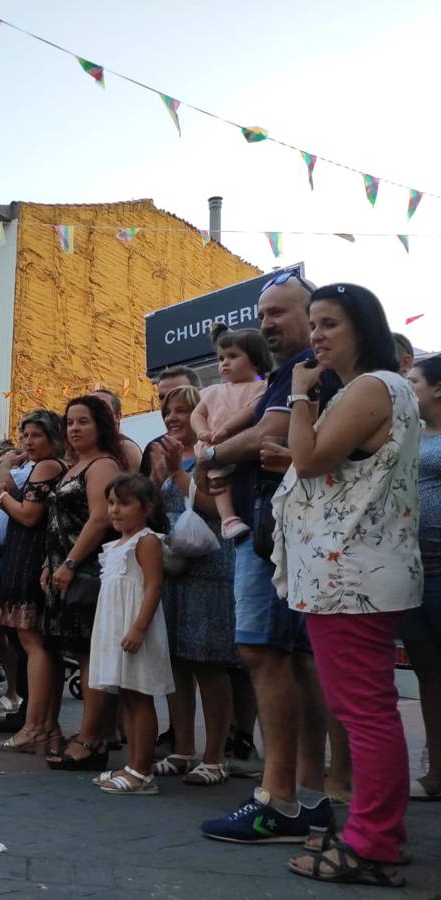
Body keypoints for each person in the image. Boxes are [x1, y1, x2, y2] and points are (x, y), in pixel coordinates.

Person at [272, 284, 418, 887]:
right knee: (369, 708)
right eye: (314, 325)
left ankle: (372, 845)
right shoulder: (391, 389)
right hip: (357, 572)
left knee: (364, 711)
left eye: (330, 323)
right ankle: (380, 833)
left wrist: (302, 396)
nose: (317, 336)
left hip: (349, 574)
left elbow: (305, 459)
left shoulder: (369, 387)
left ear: (364, 327)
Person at [199, 269, 332, 844]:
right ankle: (307, 794)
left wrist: (209, 457)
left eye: (279, 311)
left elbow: (264, 437)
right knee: (291, 658)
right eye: (262, 315)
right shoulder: (289, 377)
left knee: (264, 651)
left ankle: (278, 801)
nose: (268, 324)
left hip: (281, 537)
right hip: (278, 535)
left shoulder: (308, 377)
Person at [150, 385, 238, 787]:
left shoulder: (214, 453)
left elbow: (213, 509)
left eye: (182, 410)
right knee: (176, 662)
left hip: (211, 567)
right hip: (173, 570)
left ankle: (215, 756)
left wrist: (177, 474)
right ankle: (182, 748)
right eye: (168, 412)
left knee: (208, 662)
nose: (173, 418)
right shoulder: (165, 455)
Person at [41, 396, 124, 769]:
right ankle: (96, 734)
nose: (74, 428)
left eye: (83, 422)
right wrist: (51, 561)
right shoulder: (76, 466)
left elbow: (99, 519)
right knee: (81, 652)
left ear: (100, 426)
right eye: (70, 422)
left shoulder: (104, 464)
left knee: (92, 656)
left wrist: (71, 562)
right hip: (65, 569)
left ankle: (92, 740)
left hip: (89, 572)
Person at [0, 410, 66, 754]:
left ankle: (35, 726)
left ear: (52, 438)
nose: (29, 442)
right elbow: (7, 489)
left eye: (36, 435)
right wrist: (4, 478)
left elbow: (28, 515)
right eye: (25, 434)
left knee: (35, 647)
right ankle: (46, 727)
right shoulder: (37, 466)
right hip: (23, 559)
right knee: (36, 647)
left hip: (30, 561)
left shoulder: (48, 467)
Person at [87, 474, 172, 794]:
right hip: (117, 629)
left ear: (146, 508)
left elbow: (153, 586)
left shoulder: (147, 541)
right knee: (127, 696)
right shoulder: (116, 545)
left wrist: (139, 627)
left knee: (140, 697)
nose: (115, 510)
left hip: (136, 628)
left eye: (124, 504)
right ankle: (132, 763)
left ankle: (142, 770)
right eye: (111, 503)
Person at [191, 326, 273, 540]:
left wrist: (226, 429)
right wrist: (202, 431)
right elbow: (197, 414)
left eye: (232, 356)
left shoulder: (261, 388)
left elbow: (251, 411)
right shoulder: (212, 391)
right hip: (215, 444)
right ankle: (228, 520)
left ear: (255, 359)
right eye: (220, 358)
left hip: (242, 445)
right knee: (218, 478)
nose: (224, 363)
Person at [406, 356, 441, 802]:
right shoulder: (409, 435)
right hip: (416, 572)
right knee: (429, 674)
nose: (408, 388)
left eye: (414, 382)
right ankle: (436, 769)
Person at [139, 367, 202, 477]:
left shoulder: (217, 442)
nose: (169, 401)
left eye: (178, 393)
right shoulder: (154, 448)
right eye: (163, 397)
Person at [92, 389, 143, 472]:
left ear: (117, 417)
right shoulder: (78, 448)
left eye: (101, 407)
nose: (94, 412)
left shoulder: (126, 449)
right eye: (89, 406)